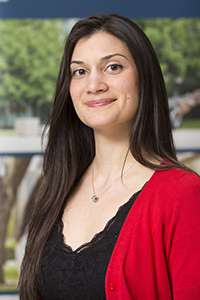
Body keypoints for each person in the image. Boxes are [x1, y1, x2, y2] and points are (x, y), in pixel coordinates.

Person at [18, 14, 200, 300]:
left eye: (113, 67)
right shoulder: (56, 188)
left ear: (145, 77)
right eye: (79, 71)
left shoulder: (183, 194)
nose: (94, 85)